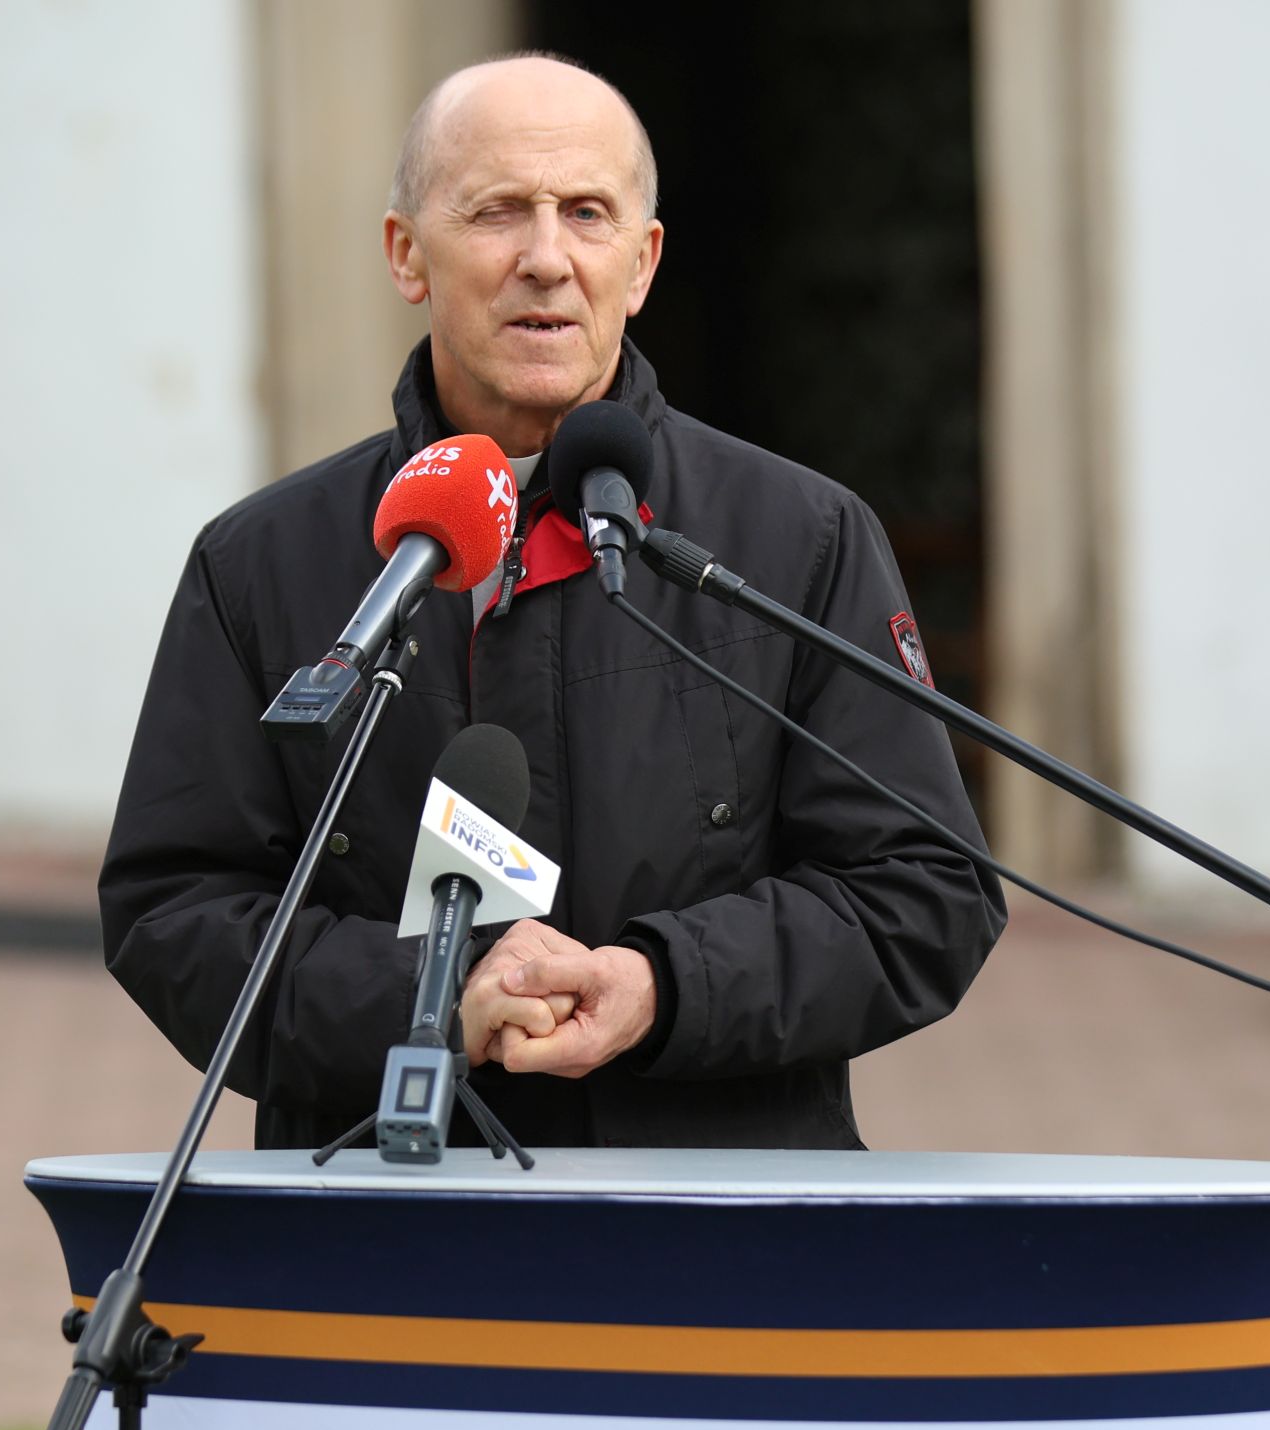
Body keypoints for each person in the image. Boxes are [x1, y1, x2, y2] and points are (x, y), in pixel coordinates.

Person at [100, 53, 1004, 1151]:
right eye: (496, 212)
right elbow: (175, 908)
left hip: (716, 1215)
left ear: (642, 261)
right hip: (385, 1210)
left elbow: (925, 895)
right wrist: (430, 1001)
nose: (545, 258)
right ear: (406, 253)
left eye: (586, 212)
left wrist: (663, 983)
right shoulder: (262, 560)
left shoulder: (798, 538)